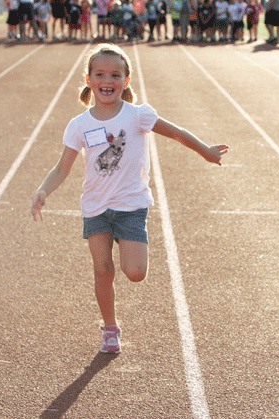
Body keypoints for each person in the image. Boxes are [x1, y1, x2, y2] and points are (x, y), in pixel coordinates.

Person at [30, 44, 229, 354]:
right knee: (102, 270)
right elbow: (62, 167)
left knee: (135, 273)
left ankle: (129, 242)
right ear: (89, 79)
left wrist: (207, 152)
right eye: (100, 74)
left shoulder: (138, 116)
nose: (107, 80)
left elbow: (176, 132)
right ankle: (110, 328)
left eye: (115, 74)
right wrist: (43, 191)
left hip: (131, 207)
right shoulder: (79, 125)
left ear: (126, 80)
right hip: (96, 208)